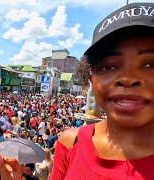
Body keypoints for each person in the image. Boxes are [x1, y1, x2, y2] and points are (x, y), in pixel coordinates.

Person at [51, 3, 154, 179]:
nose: (128, 78)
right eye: (108, 66)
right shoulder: (70, 143)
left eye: (150, 65)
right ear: (91, 79)